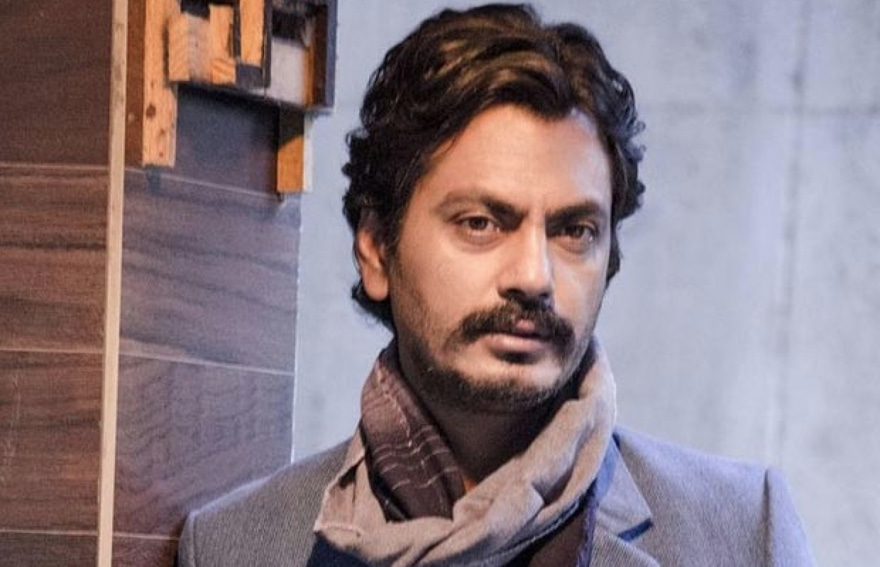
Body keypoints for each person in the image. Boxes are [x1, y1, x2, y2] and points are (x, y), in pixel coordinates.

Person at [178, 4, 814, 566]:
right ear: (376, 250)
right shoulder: (240, 547)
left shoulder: (739, 533)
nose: (534, 276)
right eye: (481, 223)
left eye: (574, 231)